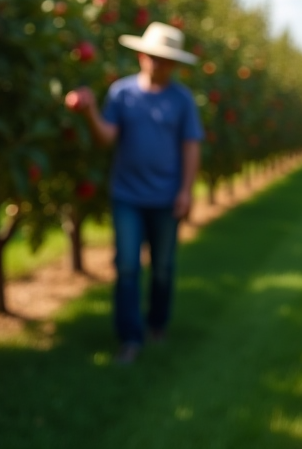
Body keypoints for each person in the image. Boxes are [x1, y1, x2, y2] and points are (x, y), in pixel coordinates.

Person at [67, 22, 204, 364]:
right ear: (141, 55)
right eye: (152, 56)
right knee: (127, 266)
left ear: (174, 65)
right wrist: (89, 113)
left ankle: (157, 325)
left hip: (166, 197)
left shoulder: (182, 101)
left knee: (163, 268)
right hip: (127, 195)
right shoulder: (122, 93)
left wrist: (186, 191)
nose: (157, 63)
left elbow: (191, 147)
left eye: (165, 59)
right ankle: (130, 337)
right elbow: (106, 138)